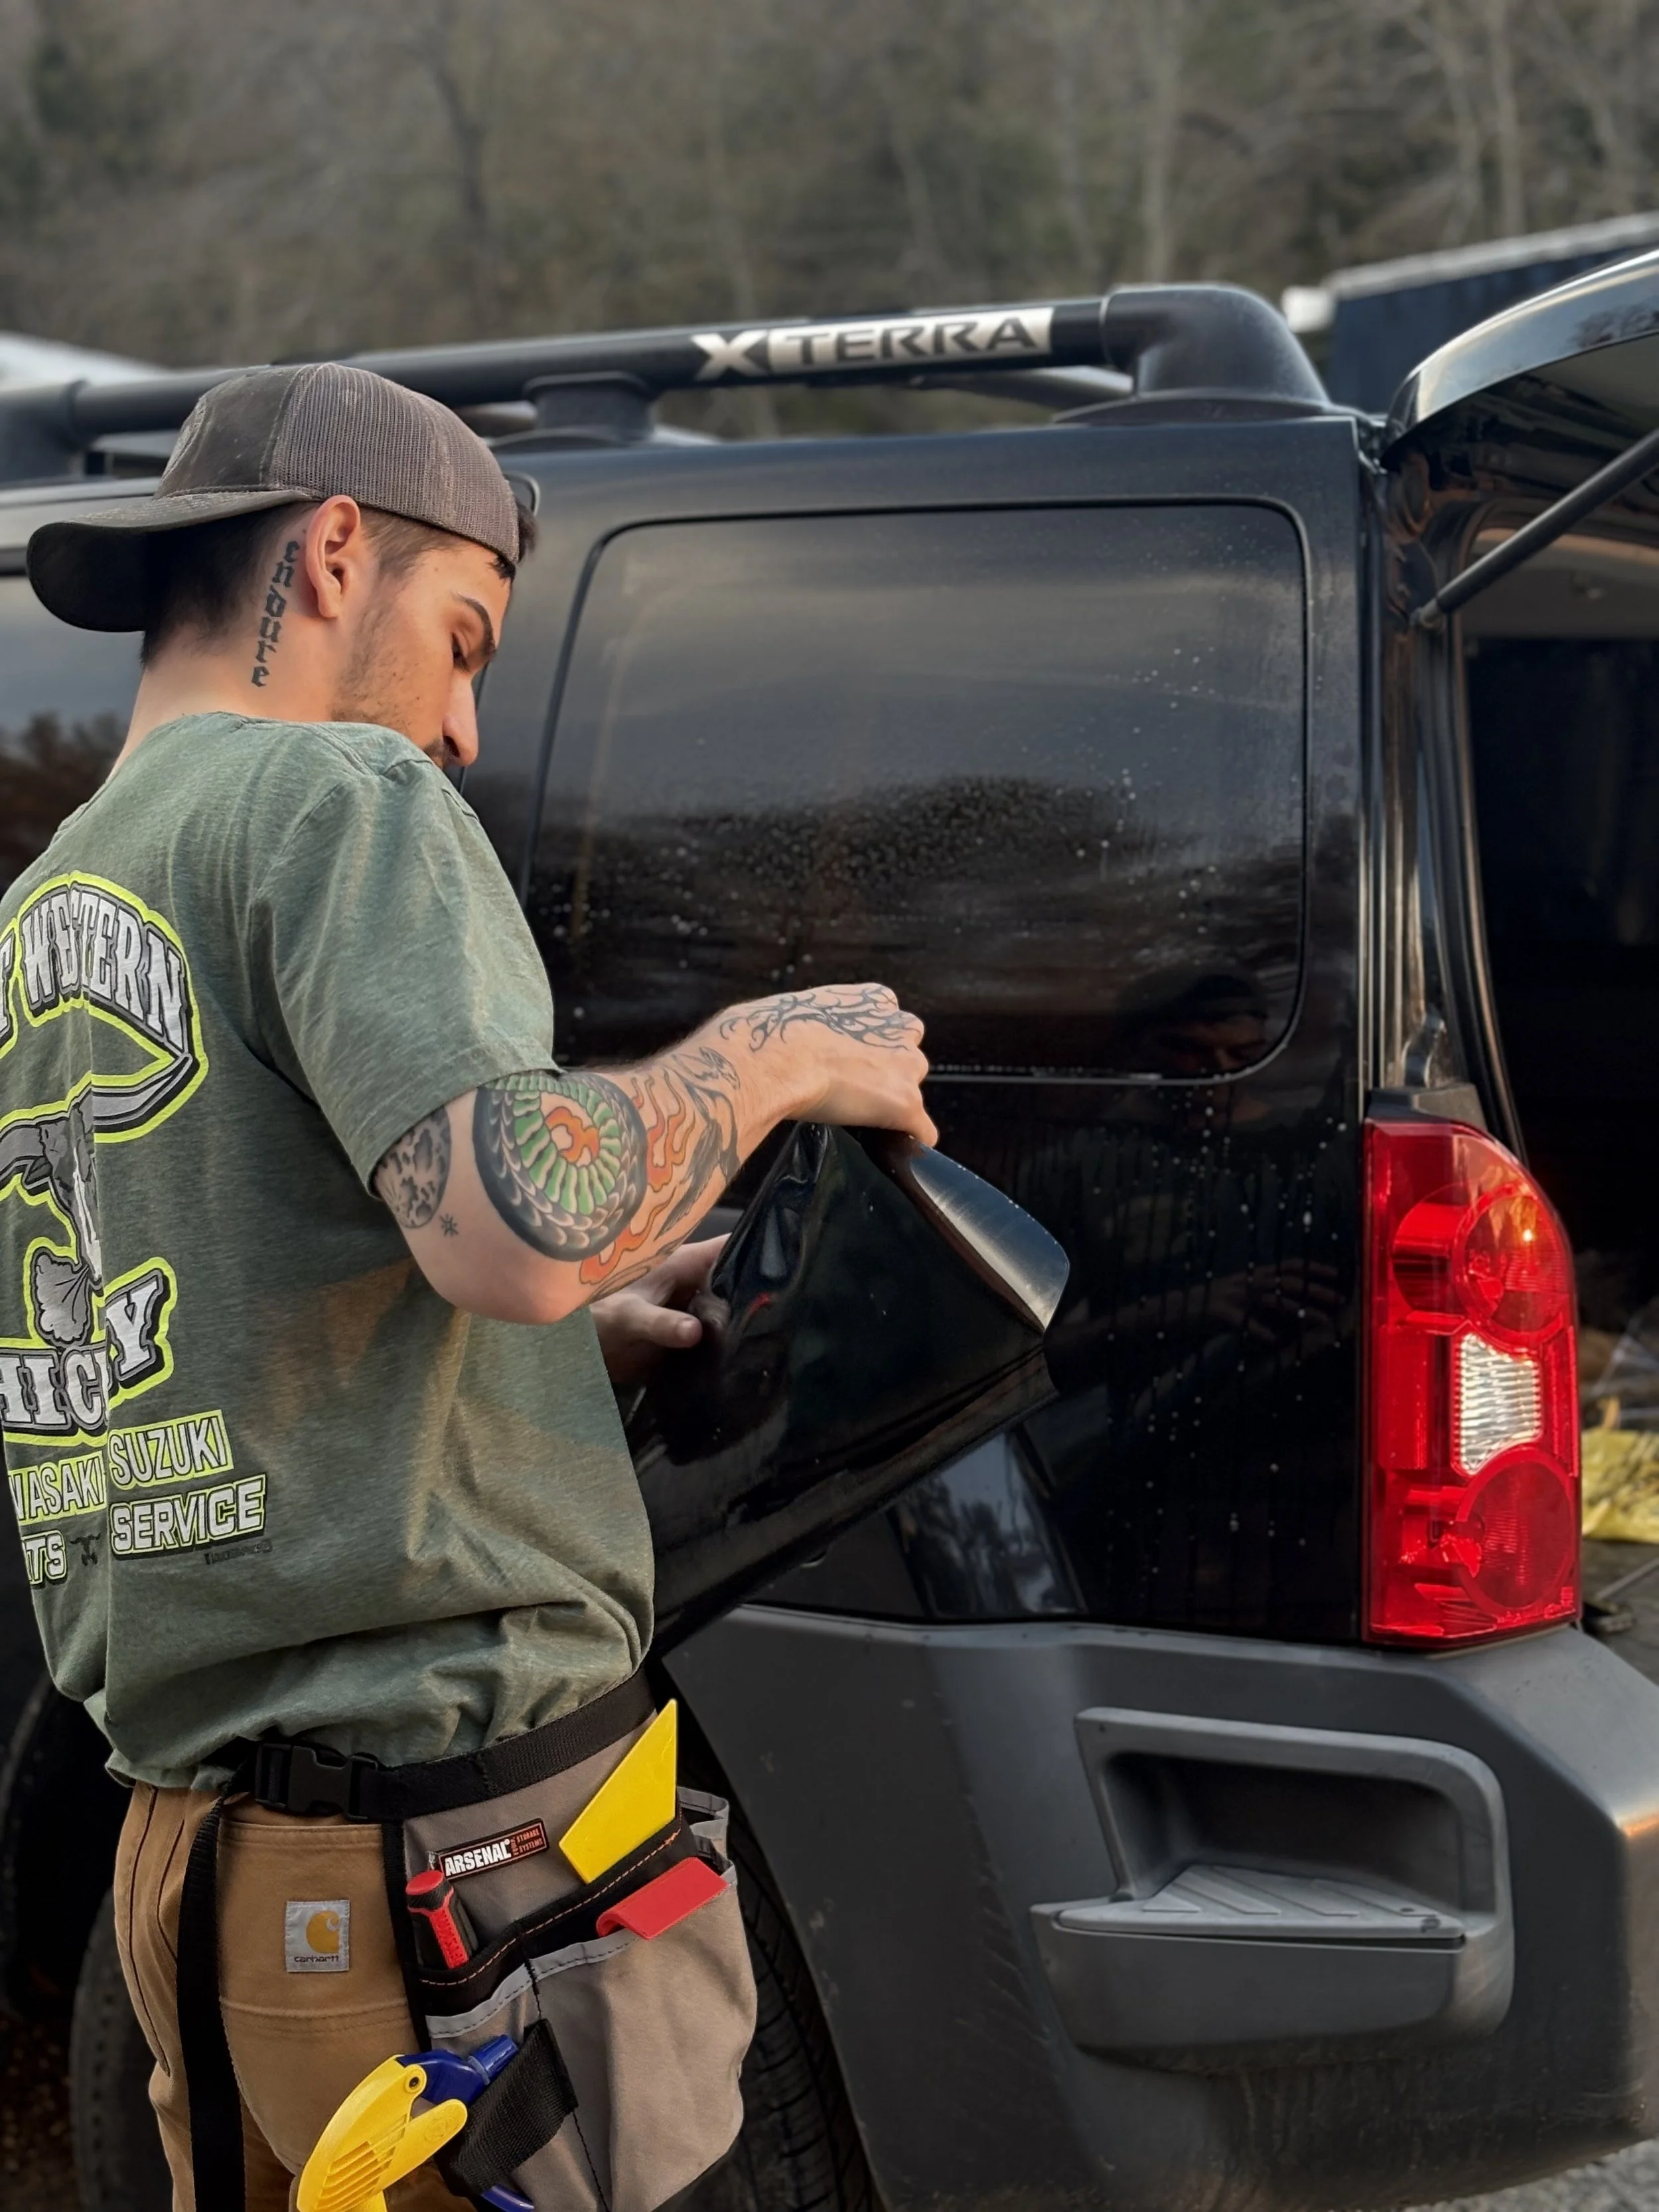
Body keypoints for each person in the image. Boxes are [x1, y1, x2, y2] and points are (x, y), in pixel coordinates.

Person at [5, 362, 934, 2210]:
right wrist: (767, 1052)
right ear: (335, 554)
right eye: (466, 633)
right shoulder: (326, 797)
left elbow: (192, 1303)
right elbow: (509, 1211)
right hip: (439, 1873)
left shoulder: (44, 910)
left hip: (197, 1871)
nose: (464, 726)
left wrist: (542, 1341)